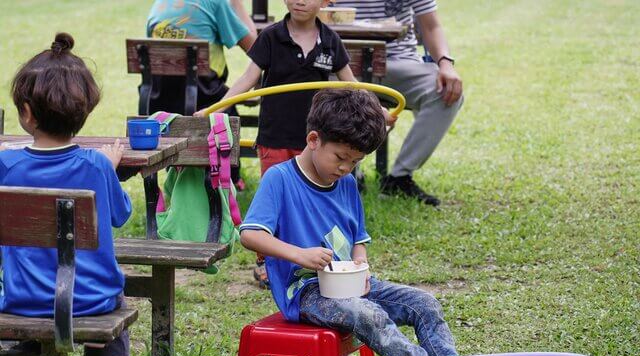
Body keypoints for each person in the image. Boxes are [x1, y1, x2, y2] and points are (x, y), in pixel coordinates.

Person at [239, 88, 512, 356]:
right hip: (307, 292)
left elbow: (358, 236)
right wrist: (300, 255)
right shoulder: (280, 180)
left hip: (348, 284)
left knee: (424, 304)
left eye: (355, 161)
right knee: (369, 315)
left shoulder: (347, 182)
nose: (346, 168)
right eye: (340, 158)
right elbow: (250, 235)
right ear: (313, 139)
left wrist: (362, 261)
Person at [200, 0, 394, 288]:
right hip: (276, 135)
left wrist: (377, 110)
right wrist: (216, 108)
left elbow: (351, 85)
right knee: (275, 199)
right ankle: (264, 263)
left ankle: (308, 253)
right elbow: (249, 77)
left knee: (308, 199)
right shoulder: (271, 36)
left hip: (319, 142)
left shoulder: (330, 40)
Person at [0, 33, 133, 356]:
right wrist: (110, 167)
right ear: (85, 111)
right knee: (116, 323)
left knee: (27, 309)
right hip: (91, 300)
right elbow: (121, 215)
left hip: (23, 299)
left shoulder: (7, 167)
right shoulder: (95, 165)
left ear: (26, 113)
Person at [333, 0, 463, 206]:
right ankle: (343, 170)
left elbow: (431, 25)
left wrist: (445, 63)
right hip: (340, 63)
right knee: (322, 91)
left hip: (399, 62)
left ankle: (399, 177)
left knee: (445, 91)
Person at [146, 0, 258, 189]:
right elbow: (254, 47)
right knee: (228, 109)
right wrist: (237, 4)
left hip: (159, 95)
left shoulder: (160, 3)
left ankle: (178, 173)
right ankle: (231, 177)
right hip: (204, 94)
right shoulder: (215, 2)